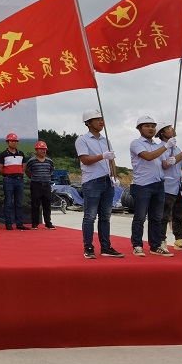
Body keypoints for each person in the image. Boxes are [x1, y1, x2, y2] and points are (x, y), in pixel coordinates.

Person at [75, 109, 124, 260]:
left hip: (107, 181)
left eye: (102, 119)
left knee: (105, 216)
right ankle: (88, 247)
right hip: (92, 181)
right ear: (88, 123)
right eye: (97, 119)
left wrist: (114, 176)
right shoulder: (82, 140)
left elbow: (111, 160)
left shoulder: (105, 140)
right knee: (90, 216)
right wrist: (102, 156)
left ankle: (106, 247)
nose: (101, 122)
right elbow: (85, 160)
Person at [129, 116, 174, 257]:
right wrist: (165, 146)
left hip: (158, 184)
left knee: (156, 218)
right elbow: (148, 157)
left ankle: (155, 246)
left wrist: (170, 162)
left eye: (153, 126)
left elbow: (163, 166)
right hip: (142, 185)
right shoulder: (136, 143)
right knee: (140, 217)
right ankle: (137, 245)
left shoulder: (156, 145)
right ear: (139, 129)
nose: (151, 129)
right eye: (147, 126)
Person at [156, 125, 182, 252]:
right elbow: (166, 165)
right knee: (164, 215)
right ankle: (161, 241)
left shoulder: (176, 148)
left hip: (180, 186)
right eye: (169, 128)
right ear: (162, 133)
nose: (172, 129)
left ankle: (179, 239)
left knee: (179, 215)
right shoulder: (160, 148)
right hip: (167, 186)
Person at [0, 133, 28, 230]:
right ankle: (9, 223)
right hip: (9, 180)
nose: (14, 143)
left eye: (15, 141)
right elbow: (0, 169)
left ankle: (19, 223)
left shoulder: (21, 153)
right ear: (8, 142)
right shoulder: (3, 154)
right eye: (12, 141)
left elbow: (24, 166)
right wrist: (8, 174)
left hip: (19, 180)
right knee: (8, 202)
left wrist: (18, 172)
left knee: (19, 203)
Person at [25, 141, 55, 230]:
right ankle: (35, 223)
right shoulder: (32, 161)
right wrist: (35, 178)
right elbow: (27, 171)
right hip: (36, 185)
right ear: (36, 150)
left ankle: (48, 223)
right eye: (41, 149)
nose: (43, 151)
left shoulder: (49, 161)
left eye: (44, 149)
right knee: (35, 205)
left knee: (47, 205)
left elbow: (51, 171)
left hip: (46, 185)